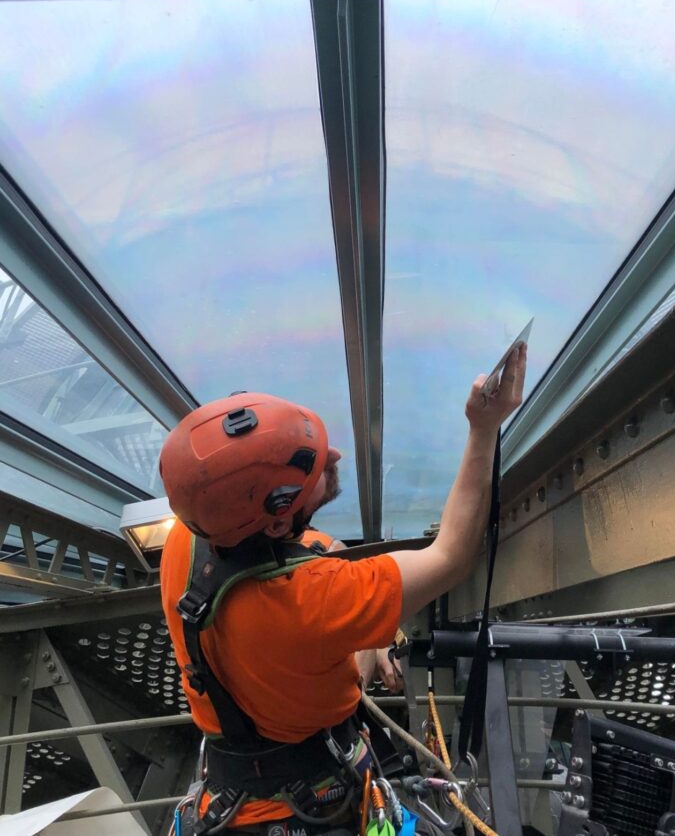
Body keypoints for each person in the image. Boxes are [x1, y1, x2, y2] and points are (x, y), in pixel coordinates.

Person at [159, 345, 527, 834]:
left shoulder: (185, 541)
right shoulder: (320, 600)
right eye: (315, 470)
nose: (333, 456)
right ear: (277, 521)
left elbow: (300, 550)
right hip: (314, 805)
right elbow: (452, 554)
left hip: (228, 799)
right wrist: (484, 427)